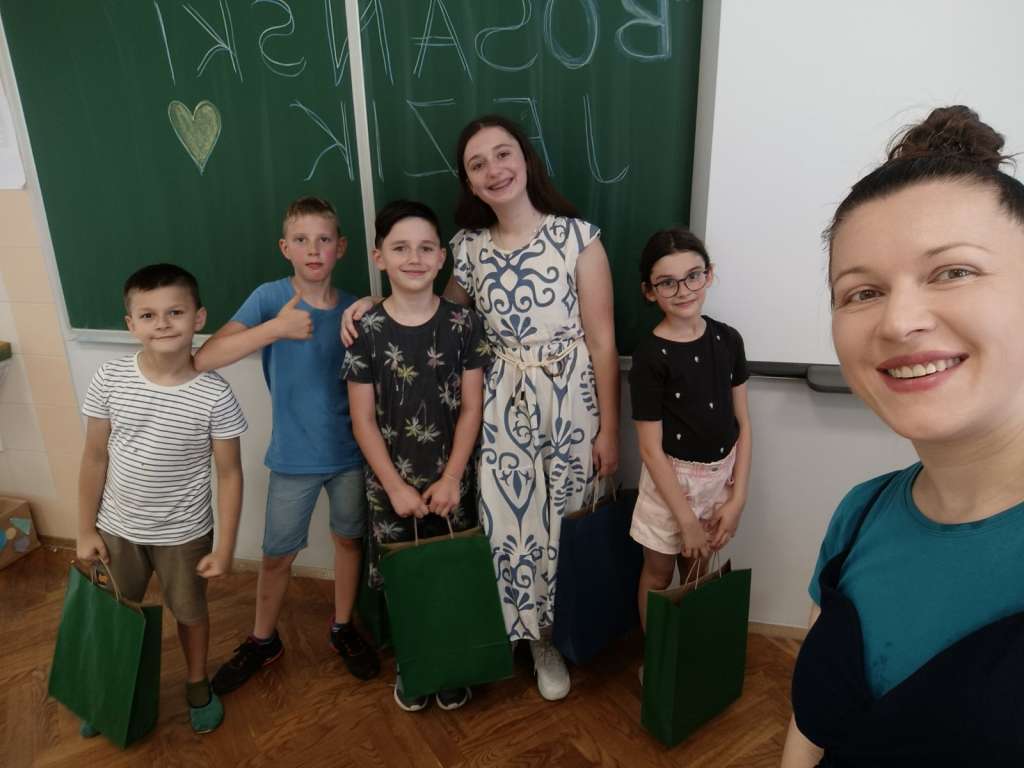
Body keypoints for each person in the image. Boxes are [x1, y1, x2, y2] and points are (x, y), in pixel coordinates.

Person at [343, 115, 620, 701]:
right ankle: (503, 633)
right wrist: (373, 300)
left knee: (561, 525)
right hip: (499, 408)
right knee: (505, 525)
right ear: (468, 182)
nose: (494, 169)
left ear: (525, 159)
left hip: (570, 404)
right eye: (477, 163)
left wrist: (610, 431)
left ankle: (547, 639)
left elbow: (603, 341)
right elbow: (433, 315)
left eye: (503, 154)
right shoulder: (467, 248)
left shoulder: (579, 238)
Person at [782, 106, 1024, 766]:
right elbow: (810, 726)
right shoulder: (860, 515)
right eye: (861, 293)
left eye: (953, 272)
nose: (898, 322)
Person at [194, 196, 379, 695]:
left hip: (350, 455)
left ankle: (343, 626)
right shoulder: (270, 298)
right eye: (302, 240)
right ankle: (263, 639)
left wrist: (373, 303)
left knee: (348, 541)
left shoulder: (355, 308)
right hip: (294, 458)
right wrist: (275, 328)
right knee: (277, 555)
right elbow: (205, 357)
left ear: (341, 247)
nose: (313, 250)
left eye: (324, 240)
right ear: (285, 248)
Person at [76, 263, 246, 735]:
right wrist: (85, 529)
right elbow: (93, 458)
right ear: (130, 324)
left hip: (185, 535)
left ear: (198, 317)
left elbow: (230, 474)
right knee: (115, 613)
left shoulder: (215, 394)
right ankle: (112, 692)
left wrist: (225, 547)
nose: (163, 323)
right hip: (117, 528)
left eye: (175, 312)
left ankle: (196, 684)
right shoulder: (109, 378)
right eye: (148, 315)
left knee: (190, 613)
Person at [343, 199, 489, 712]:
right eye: (400, 248)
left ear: (442, 257)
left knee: (450, 572)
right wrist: (395, 486)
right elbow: (362, 420)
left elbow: (472, 408)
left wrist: (451, 478)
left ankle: (450, 661)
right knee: (404, 577)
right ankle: (414, 662)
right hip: (390, 484)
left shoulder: (465, 324)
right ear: (378, 256)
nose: (414, 258)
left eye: (426, 248)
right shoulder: (365, 330)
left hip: (454, 478)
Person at [628, 228, 752, 637]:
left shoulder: (728, 340)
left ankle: (687, 658)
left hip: (719, 478)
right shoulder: (650, 356)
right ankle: (658, 658)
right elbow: (650, 449)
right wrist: (685, 519)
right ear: (650, 291)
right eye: (668, 282)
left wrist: (737, 498)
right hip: (670, 483)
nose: (683, 291)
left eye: (693, 276)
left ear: (709, 274)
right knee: (659, 573)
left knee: (697, 573)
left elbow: (743, 424)